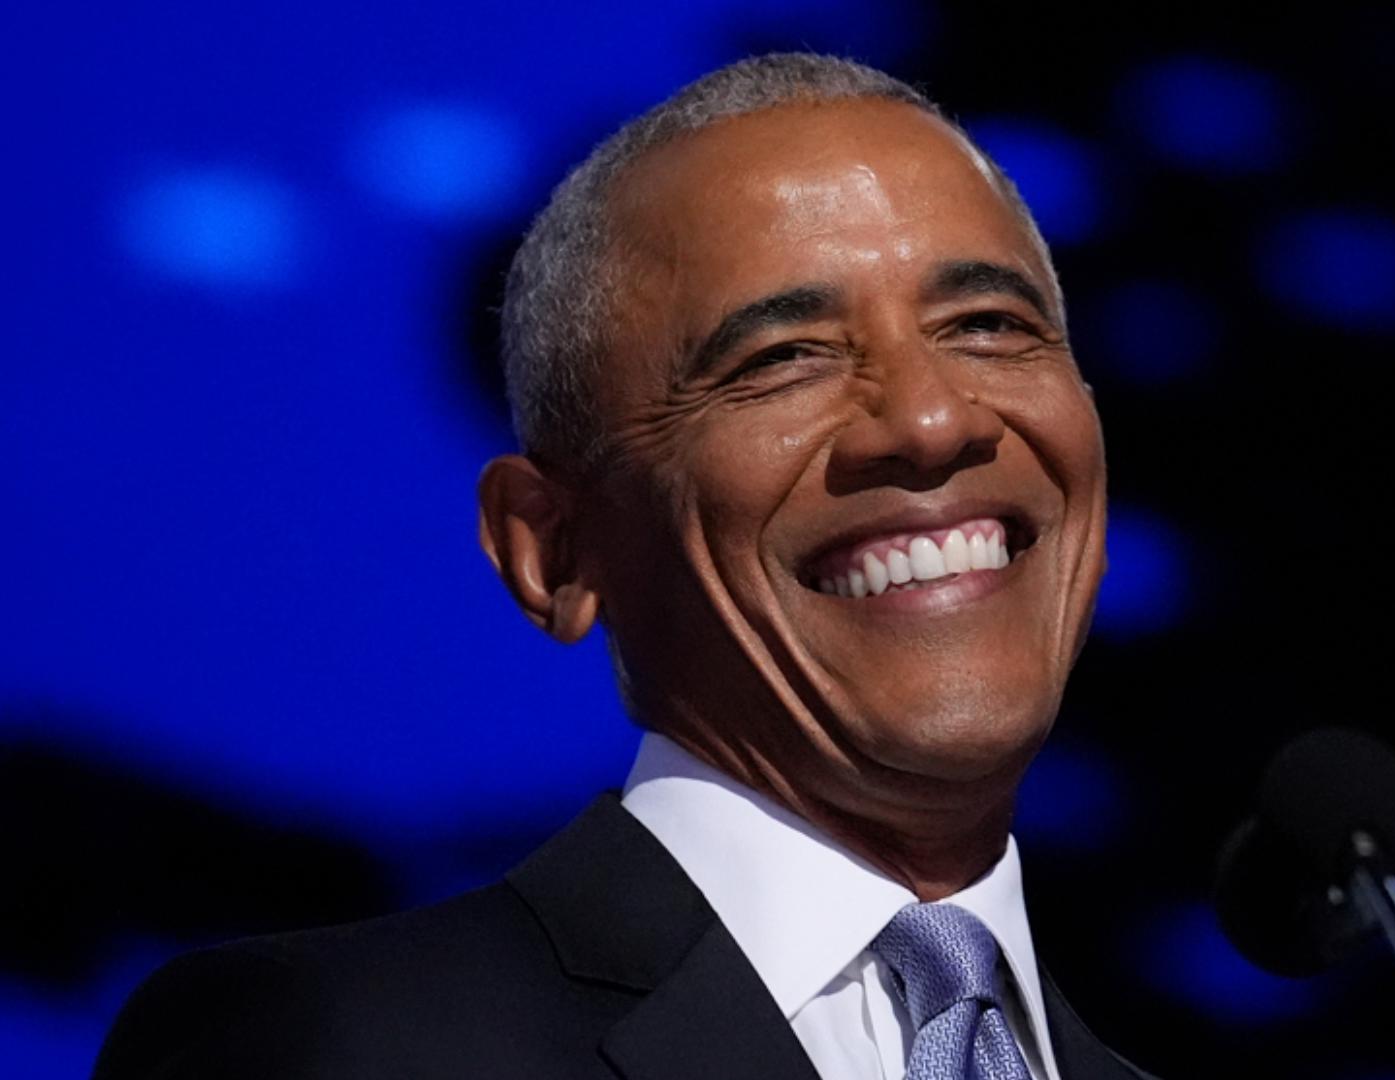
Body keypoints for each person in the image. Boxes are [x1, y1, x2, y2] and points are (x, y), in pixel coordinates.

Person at [94, 53, 1151, 1080]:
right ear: (549, 549)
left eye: (989, 325)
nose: (930, 418)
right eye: (782, 359)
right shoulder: (341, 1047)